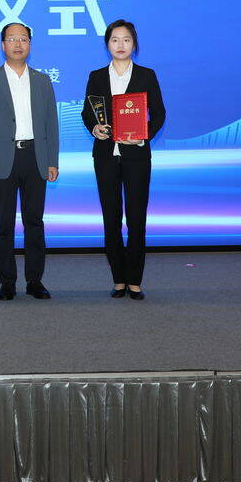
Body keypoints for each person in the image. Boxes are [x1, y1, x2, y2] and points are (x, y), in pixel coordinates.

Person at [81, 19, 166, 300]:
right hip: (106, 156)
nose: (121, 45)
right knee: (111, 218)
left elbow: (159, 114)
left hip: (136, 156)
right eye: (115, 39)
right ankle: (118, 278)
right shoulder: (96, 76)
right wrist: (95, 128)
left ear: (134, 44)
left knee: (137, 218)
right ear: (107, 44)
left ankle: (135, 280)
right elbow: (87, 112)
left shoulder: (146, 75)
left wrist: (143, 135)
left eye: (126, 40)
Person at [0, 22, 59, 300]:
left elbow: (51, 124)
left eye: (23, 38)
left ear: (30, 44)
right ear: (3, 45)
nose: (18, 44)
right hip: (2, 159)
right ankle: (7, 282)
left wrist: (52, 160)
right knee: (4, 224)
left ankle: (35, 280)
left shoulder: (43, 81)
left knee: (34, 221)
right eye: (12, 39)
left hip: (35, 156)